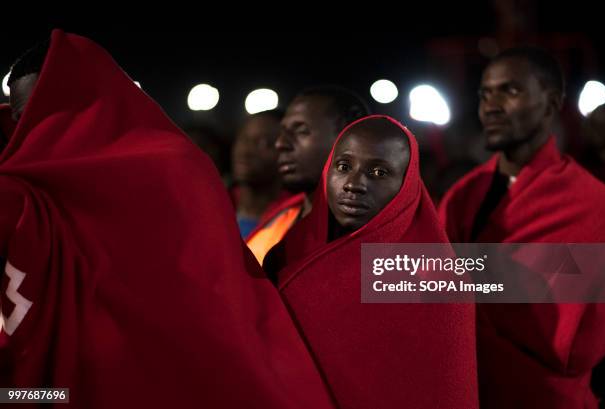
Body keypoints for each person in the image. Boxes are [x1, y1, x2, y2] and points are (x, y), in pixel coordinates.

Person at [0, 30, 333, 409]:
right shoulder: (29, 186)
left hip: (166, 379)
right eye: (19, 120)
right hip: (66, 383)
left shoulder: (173, 165)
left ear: (81, 101)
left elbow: (214, 302)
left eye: (37, 116)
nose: (24, 135)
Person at [438, 46, 605, 408]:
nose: (492, 105)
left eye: (510, 91)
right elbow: (430, 290)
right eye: (485, 93)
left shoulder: (594, 204)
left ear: (551, 104)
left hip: (551, 396)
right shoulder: (462, 196)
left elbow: (584, 338)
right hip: (471, 390)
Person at [267, 115, 478, 409]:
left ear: (407, 187)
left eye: (379, 172)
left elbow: (445, 394)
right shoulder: (287, 252)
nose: (354, 184)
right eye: (343, 167)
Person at [246, 86, 369, 264]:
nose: (280, 143)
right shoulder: (282, 217)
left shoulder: (383, 235)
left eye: (301, 130)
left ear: (348, 137)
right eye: (283, 132)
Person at [230, 109, 286, 238]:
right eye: (243, 139)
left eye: (263, 143)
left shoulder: (294, 215)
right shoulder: (216, 204)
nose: (245, 152)